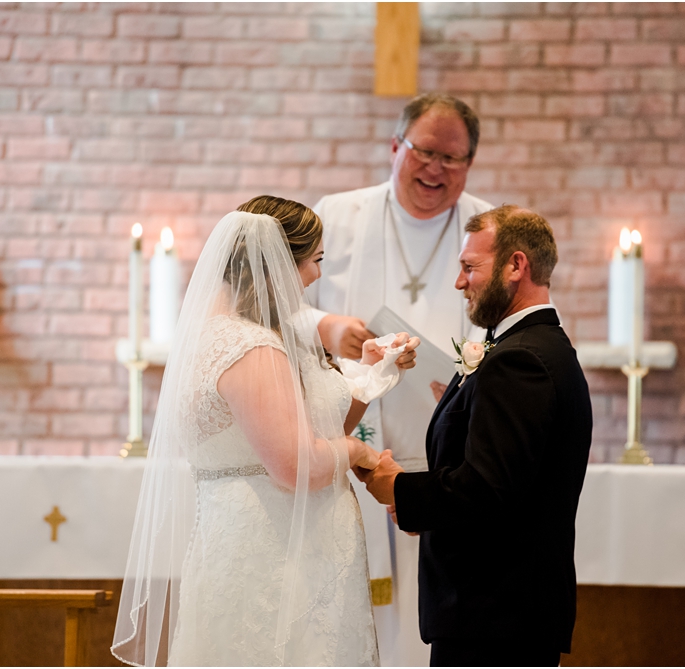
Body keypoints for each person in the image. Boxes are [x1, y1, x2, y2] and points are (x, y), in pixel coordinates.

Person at [112, 196, 419, 666]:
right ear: (278, 262)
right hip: (278, 556)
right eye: (314, 261)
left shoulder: (225, 335)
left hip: (259, 540)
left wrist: (370, 373)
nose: (317, 276)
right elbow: (296, 464)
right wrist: (358, 451)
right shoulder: (251, 347)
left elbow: (312, 430)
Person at [357, 205, 593, 667]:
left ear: (515, 266)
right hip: (501, 613)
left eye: (470, 268)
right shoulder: (535, 349)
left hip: (494, 615)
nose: (459, 282)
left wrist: (399, 488)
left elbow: (487, 487)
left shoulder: (518, 360)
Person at [307, 93, 494, 666]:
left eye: (453, 159)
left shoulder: (488, 229)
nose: (436, 168)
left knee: (426, 614)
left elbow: (506, 329)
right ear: (396, 147)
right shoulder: (336, 217)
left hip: (441, 458)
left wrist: (469, 380)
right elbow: (283, 310)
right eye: (425, 151)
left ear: (470, 165)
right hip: (340, 441)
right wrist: (329, 326)